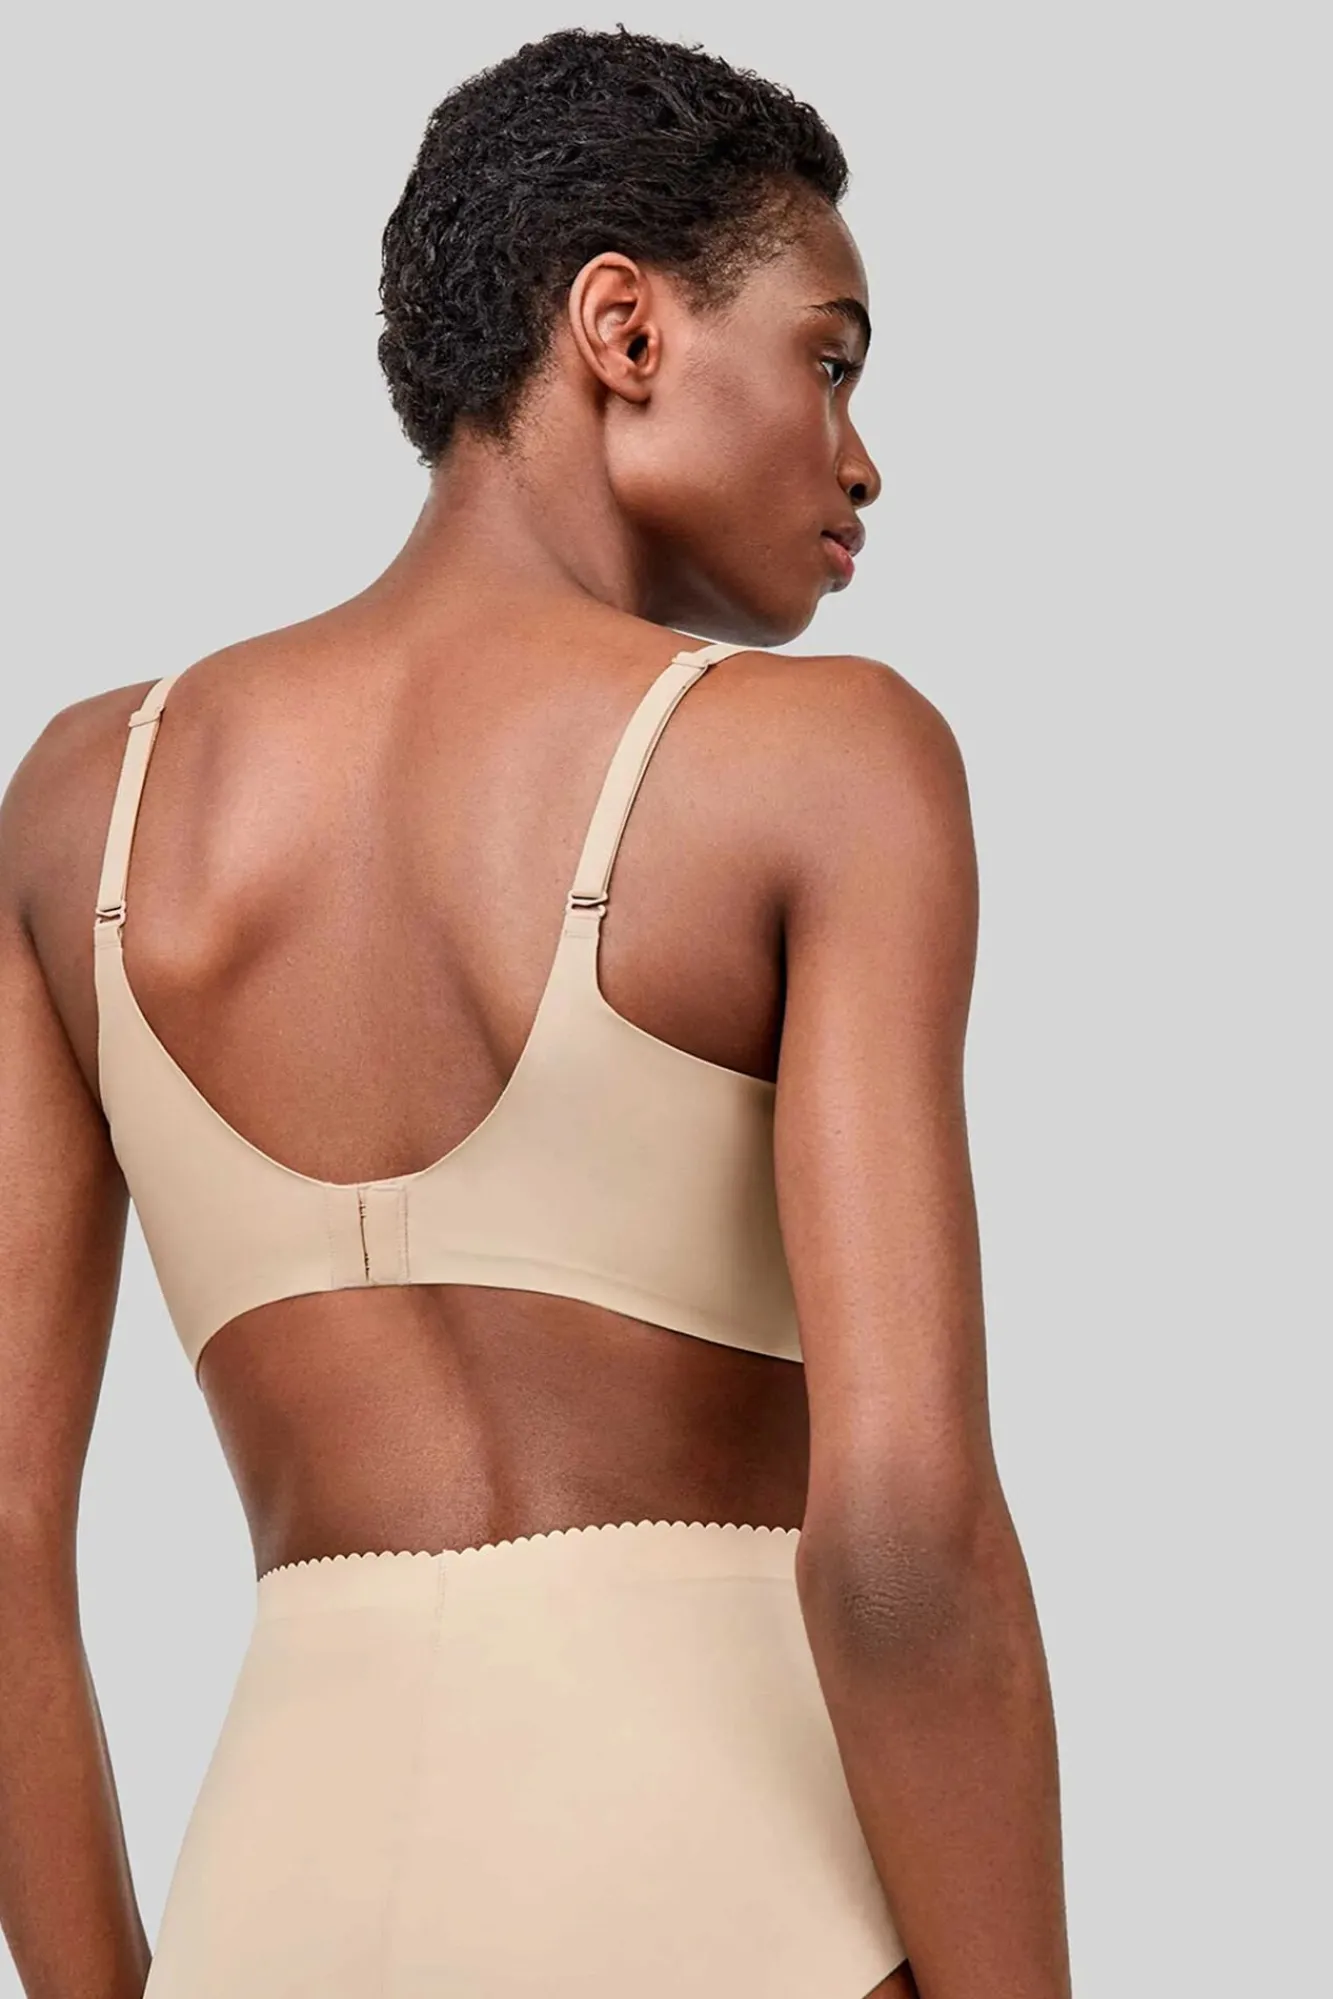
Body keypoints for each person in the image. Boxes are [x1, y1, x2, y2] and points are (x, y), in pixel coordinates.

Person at [0, 26, 1071, 1999]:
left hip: (274, 1909)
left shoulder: (87, 802)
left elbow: (0, 1535)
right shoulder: (826, 763)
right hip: (738, 1905)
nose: (860, 457)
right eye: (831, 359)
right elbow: (903, 1539)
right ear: (624, 329)